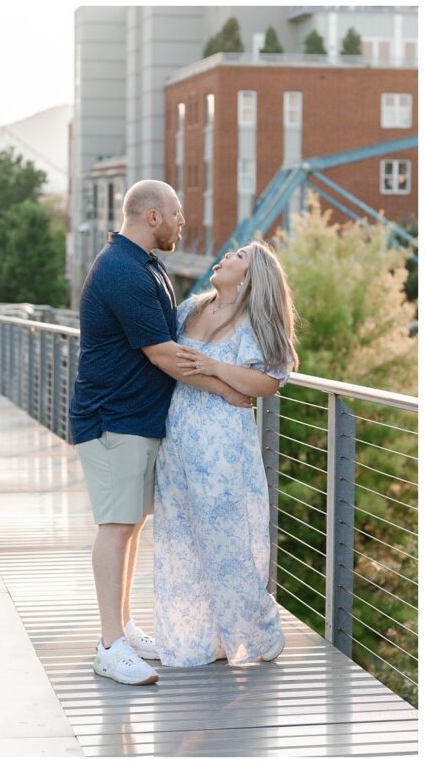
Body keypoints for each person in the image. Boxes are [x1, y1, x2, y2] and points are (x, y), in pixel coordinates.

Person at [68, 179, 251, 686]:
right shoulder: (124, 271)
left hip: (138, 419)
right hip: (112, 419)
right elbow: (163, 353)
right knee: (115, 524)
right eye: (177, 215)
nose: (181, 224)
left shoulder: (145, 265)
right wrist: (224, 387)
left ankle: (123, 625)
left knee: (130, 524)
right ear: (153, 217)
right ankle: (109, 646)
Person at [154, 240, 297, 667]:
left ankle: (260, 633)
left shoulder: (255, 320)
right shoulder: (190, 309)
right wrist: (217, 378)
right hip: (176, 438)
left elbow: (269, 382)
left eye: (239, 257)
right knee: (180, 539)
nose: (226, 257)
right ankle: (198, 640)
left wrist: (216, 368)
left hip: (222, 444)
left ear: (253, 276)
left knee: (226, 539)